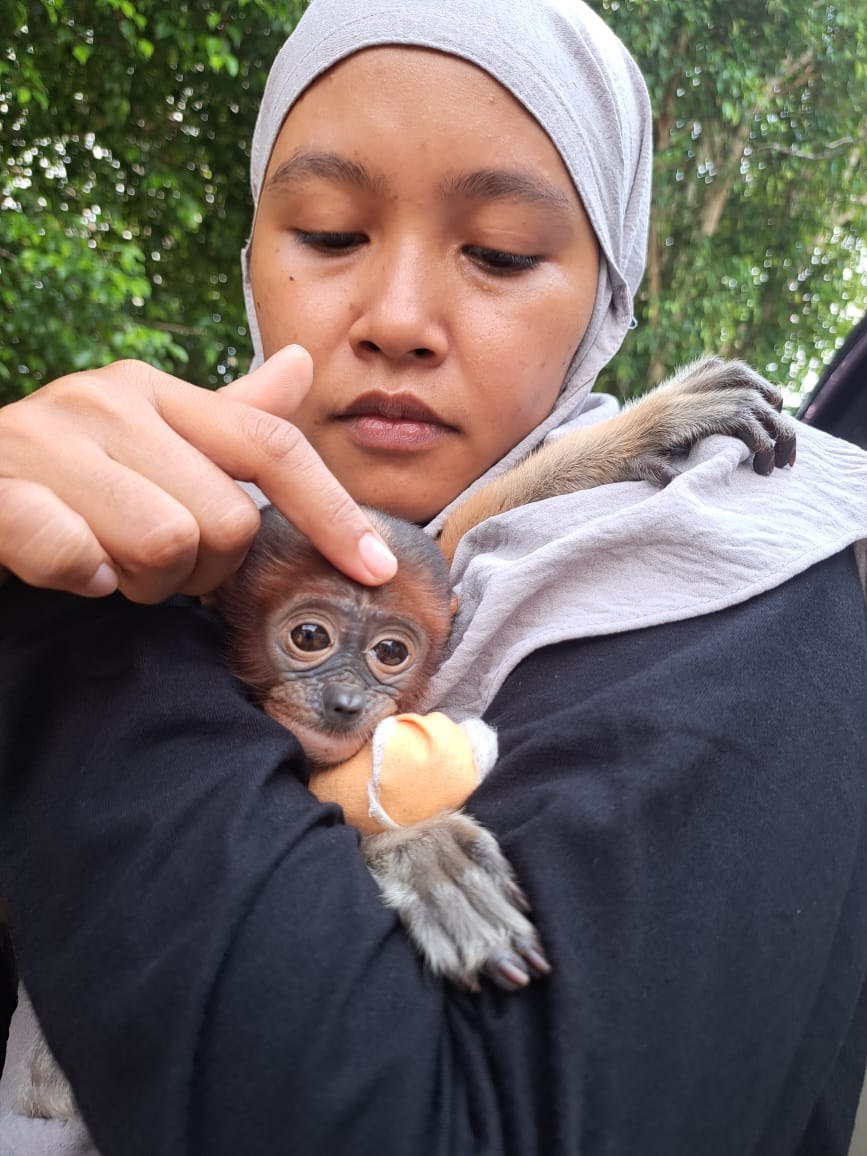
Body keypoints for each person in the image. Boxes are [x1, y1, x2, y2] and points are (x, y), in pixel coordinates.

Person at [1, 1, 867, 1153]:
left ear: (607, 296)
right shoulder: (171, 515)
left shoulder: (738, 562)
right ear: (253, 263)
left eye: (500, 252)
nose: (399, 321)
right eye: (327, 233)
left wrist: (80, 634)